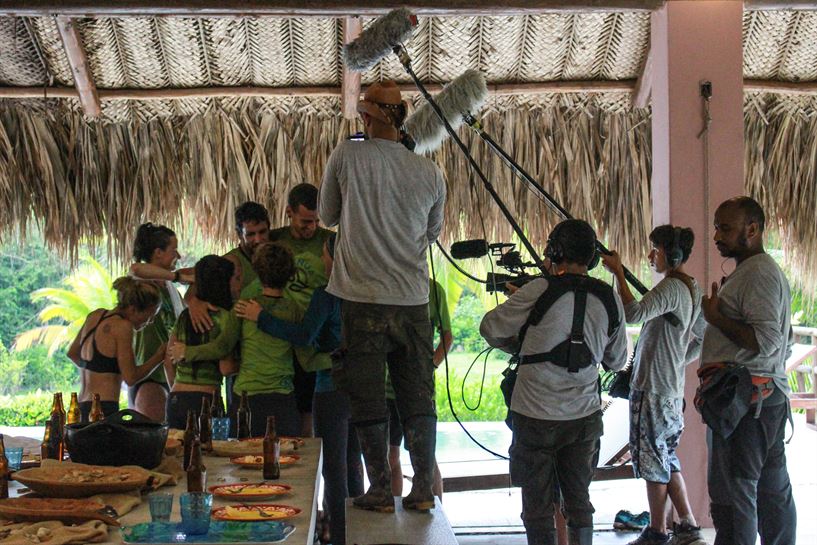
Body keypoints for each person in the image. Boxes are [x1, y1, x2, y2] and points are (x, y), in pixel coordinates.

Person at [318, 79, 446, 513]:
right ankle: (423, 488)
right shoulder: (429, 171)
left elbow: (328, 215)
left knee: (368, 395)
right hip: (412, 301)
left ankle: (378, 490)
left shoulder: (348, 153)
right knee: (417, 396)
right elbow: (430, 235)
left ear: (367, 117)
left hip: (362, 300)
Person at [480, 219, 628, 545]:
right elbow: (617, 361)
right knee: (579, 501)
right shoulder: (608, 297)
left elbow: (490, 328)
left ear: (555, 251)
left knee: (537, 508)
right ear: (591, 257)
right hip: (584, 418)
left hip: (534, 415)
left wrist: (523, 336)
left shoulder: (539, 290)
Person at [236, 233, 363, 545]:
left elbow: (305, 336)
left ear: (334, 259)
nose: (321, 259)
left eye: (324, 254)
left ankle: (339, 539)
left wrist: (261, 317)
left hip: (330, 385)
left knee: (333, 469)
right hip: (362, 385)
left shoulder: (326, 294)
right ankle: (358, 532)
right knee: (353, 463)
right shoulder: (365, 292)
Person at [602, 226, 706, 545]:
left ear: (671, 255)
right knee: (666, 457)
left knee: (652, 462)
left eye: (655, 250)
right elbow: (701, 337)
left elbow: (633, 312)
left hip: (654, 390)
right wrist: (676, 360)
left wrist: (619, 273)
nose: (650, 256)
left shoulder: (673, 286)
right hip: (668, 389)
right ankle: (686, 523)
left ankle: (658, 531)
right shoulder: (691, 287)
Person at [700, 196, 796, 545]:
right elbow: (780, 345)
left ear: (752, 229)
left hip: (746, 405)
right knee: (771, 492)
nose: (716, 236)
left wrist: (716, 318)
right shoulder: (755, 272)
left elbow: (768, 341)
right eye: (716, 227)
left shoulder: (758, 274)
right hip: (761, 401)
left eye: (725, 228)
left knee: (736, 497)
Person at [170, 243, 305, 437]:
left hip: (247, 397)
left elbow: (221, 347)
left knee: (242, 460)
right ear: (291, 273)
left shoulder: (243, 308)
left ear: (257, 272)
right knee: (285, 460)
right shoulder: (294, 309)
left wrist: (187, 352)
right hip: (282, 395)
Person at [270, 183, 335, 438]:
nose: (311, 227)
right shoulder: (274, 240)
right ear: (289, 212)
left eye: (316, 221)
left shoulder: (329, 242)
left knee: (310, 422)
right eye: (305, 221)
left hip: (314, 344)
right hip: (281, 343)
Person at [387, 278, 453, 500]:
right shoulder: (388, 284)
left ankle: (437, 514)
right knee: (391, 454)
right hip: (389, 387)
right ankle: (392, 512)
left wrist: (431, 365)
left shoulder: (434, 289)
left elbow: (447, 336)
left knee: (426, 456)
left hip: (418, 385)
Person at [66, 277, 163, 422]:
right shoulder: (123, 326)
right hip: (103, 407)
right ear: (133, 309)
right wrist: (158, 357)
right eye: (149, 315)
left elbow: (72, 353)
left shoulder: (95, 316)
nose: (150, 321)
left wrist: (98, 371)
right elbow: (131, 377)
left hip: (81, 405)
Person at [164, 256, 240, 430]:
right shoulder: (225, 318)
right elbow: (226, 368)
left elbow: (168, 362)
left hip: (176, 397)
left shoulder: (185, 316)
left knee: (177, 454)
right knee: (206, 455)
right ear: (224, 283)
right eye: (235, 278)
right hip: (206, 399)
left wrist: (177, 391)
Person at [128, 223, 185, 422]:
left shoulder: (171, 291)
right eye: (173, 250)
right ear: (158, 253)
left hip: (169, 375)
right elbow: (136, 268)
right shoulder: (142, 286)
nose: (178, 256)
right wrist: (177, 276)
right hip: (149, 376)